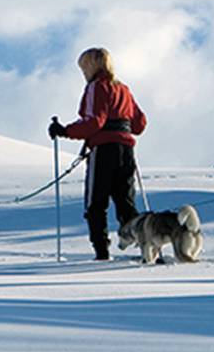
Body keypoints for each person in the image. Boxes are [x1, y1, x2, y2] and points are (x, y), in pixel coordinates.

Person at [49, 47, 148, 261]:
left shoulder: (96, 87)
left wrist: (65, 131)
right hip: (126, 150)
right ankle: (147, 247)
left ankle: (102, 251)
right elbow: (139, 124)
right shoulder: (123, 89)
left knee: (96, 202)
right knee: (126, 202)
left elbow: (94, 122)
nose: (83, 72)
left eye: (84, 67)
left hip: (103, 150)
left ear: (91, 66)